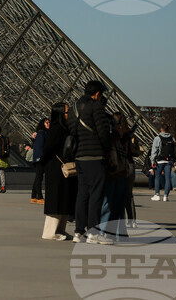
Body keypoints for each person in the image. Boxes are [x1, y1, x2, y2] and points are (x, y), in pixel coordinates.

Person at [72, 79, 113, 244]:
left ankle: (78, 232)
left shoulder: (74, 107)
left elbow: (72, 131)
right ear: (97, 94)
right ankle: (93, 232)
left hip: (79, 157)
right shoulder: (96, 106)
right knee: (96, 195)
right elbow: (103, 133)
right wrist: (107, 149)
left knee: (82, 194)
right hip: (95, 156)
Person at [41, 103, 77, 240]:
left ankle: (60, 230)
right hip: (56, 168)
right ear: (60, 114)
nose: (70, 114)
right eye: (67, 112)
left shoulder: (65, 128)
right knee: (56, 200)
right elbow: (49, 148)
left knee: (64, 199)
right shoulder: (56, 129)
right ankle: (50, 232)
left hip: (62, 168)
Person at [99, 112, 132, 239]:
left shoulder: (122, 138)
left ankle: (111, 231)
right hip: (115, 173)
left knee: (114, 204)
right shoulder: (113, 138)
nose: (122, 127)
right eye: (120, 124)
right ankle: (109, 231)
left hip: (118, 173)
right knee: (113, 204)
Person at [149, 124, 176, 202]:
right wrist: (174, 160)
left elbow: (154, 150)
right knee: (167, 178)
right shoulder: (172, 138)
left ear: (161, 129)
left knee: (157, 176)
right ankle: (165, 196)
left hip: (160, 160)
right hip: (169, 160)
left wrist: (152, 161)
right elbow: (175, 151)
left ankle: (157, 194)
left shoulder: (157, 138)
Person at [30, 118, 47, 204]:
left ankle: (33, 196)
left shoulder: (39, 133)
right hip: (40, 158)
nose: (48, 124)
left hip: (38, 158)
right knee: (39, 177)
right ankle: (39, 197)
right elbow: (40, 147)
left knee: (38, 177)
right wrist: (41, 157)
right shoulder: (41, 133)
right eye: (46, 122)